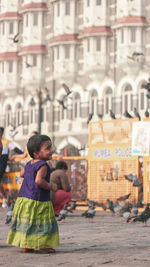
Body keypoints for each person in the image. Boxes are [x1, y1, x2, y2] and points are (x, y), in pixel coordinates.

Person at [7, 134, 59, 253]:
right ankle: (44, 244)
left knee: (28, 222)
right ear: (36, 153)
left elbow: (21, 174)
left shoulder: (29, 164)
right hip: (38, 199)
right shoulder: (43, 165)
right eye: (48, 148)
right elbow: (39, 181)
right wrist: (51, 186)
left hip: (24, 197)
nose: (52, 150)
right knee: (42, 222)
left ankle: (27, 245)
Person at [0, 127, 23, 208]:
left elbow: (16, 149)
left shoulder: (6, 142)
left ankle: (5, 198)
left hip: (2, 162)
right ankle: (5, 197)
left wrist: (24, 154)